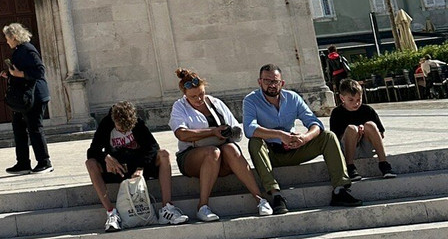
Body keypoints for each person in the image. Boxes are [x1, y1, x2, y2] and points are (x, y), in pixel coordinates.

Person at [243, 63, 361, 214]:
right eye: (267, 81)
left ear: (282, 83)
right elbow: (249, 129)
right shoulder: (251, 100)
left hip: (295, 148)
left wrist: (305, 137)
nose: (271, 85)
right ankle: (275, 195)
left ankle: (340, 190)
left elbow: (315, 123)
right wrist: (279, 135)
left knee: (328, 137)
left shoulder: (293, 98)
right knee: (254, 142)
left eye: (275, 81)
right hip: (271, 154)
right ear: (259, 82)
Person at [169, 68, 272, 221]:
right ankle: (202, 206)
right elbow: (182, 134)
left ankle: (260, 199)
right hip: (192, 157)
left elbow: (237, 130)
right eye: (193, 97)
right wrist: (212, 132)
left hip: (222, 155)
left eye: (201, 94)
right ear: (185, 95)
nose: (199, 99)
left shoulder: (215, 103)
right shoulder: (179, 107)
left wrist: (229, 132)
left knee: (231, 149)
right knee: (212, 152)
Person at [85, 101, 188, 231]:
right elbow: (92, 151)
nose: (124, 131)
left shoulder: (138, 123)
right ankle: (111, 213)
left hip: (139, 166)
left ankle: (167, 209)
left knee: (164, 154)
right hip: (117, 168)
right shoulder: (106, 124)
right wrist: (106, 157)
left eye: (127, 129)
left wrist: (140, 168)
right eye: (120, 128)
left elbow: (153, 147)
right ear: (114, 120)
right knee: (90, 164)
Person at [0, 23, 52, 174]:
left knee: (35, 129)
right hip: (23, 99)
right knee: (19, 129)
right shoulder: (19, 51)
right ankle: (23, 163)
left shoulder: (28, 49)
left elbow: (39, 70)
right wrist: (9, 74)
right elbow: (21, 71)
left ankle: (45, 162)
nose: (7, 41)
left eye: (7, 38)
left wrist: (19, 75)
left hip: (35, 96)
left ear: (14, 37)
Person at [329, 79, 396, 180]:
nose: (356, 103)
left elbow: (381, 134)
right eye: (351, 100)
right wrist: (355, 135)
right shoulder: (337, 113)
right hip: (349, 149)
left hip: (367, 146)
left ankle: (383, 163)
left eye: (358, 100)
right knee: (352, 129)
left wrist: (365, 133)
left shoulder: (367, 110)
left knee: (370, 125)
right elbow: (335, 139)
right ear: (342, 98)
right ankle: (350, 166)